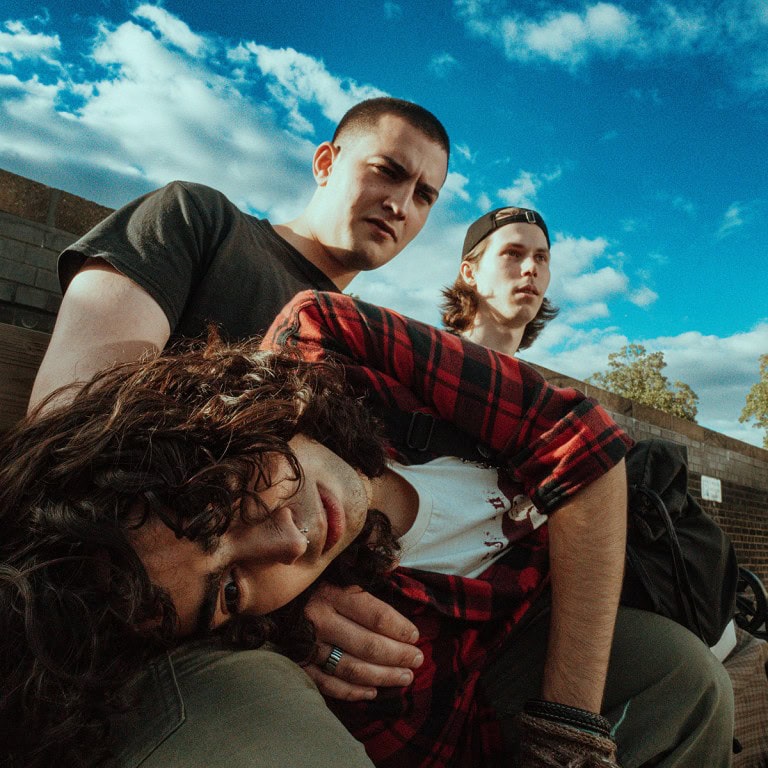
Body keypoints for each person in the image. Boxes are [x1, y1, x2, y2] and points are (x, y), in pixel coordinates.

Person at [1, 291, 734, 767]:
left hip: (599, 580)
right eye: (227, 588)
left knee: (693, 676)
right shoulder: (336, 636)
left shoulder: (325, 335)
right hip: (516, 636)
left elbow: (580, 438)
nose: (284, 545)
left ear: (204, 423)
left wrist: (567, 721)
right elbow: (448, 741)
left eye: (215, 505)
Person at [27, 97, 451, 714]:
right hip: (178, 637)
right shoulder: (200, 221)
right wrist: (274, 599)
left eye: (424, 195)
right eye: (387, 170)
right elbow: (73, 431)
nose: (401, 204)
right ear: (326, 163)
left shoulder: (374, 342)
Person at [441, 205, 558, 356]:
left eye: (540, 258)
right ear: (470, 273)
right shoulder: (422, 357)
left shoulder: (533, 380)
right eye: (513, 253)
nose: (531, 268)